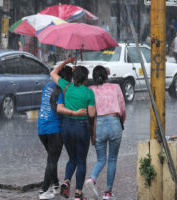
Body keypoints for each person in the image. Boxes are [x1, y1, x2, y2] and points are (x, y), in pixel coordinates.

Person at [38, 66, 87, 200]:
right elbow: (62, 109)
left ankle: (55, 185)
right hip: (54, 129)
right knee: (52, 160)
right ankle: (43, 190)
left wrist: (67, 64)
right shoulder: (64, 90)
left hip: (41, 127)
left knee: (51, 158)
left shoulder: (48, 85)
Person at [50, 57, 96, 200]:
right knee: (81, 160)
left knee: (72, 159)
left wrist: (66, 61)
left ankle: (66, 180)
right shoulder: (89, 92)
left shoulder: (66, 87)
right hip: (81, 127)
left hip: (67, 127)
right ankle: (78, 193)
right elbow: (92, 114)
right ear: (85, 79)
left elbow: (53, 73)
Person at [84, 66, 126, 200]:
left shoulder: (90, 90)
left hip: (99, 124)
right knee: (112, 159)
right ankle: (107, 193)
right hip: (114, 122)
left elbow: (89, 112)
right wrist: (122, 122)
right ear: (106, 76)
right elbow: (122, 108)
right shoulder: (116, 87)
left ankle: (92, 179)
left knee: (101, 159)